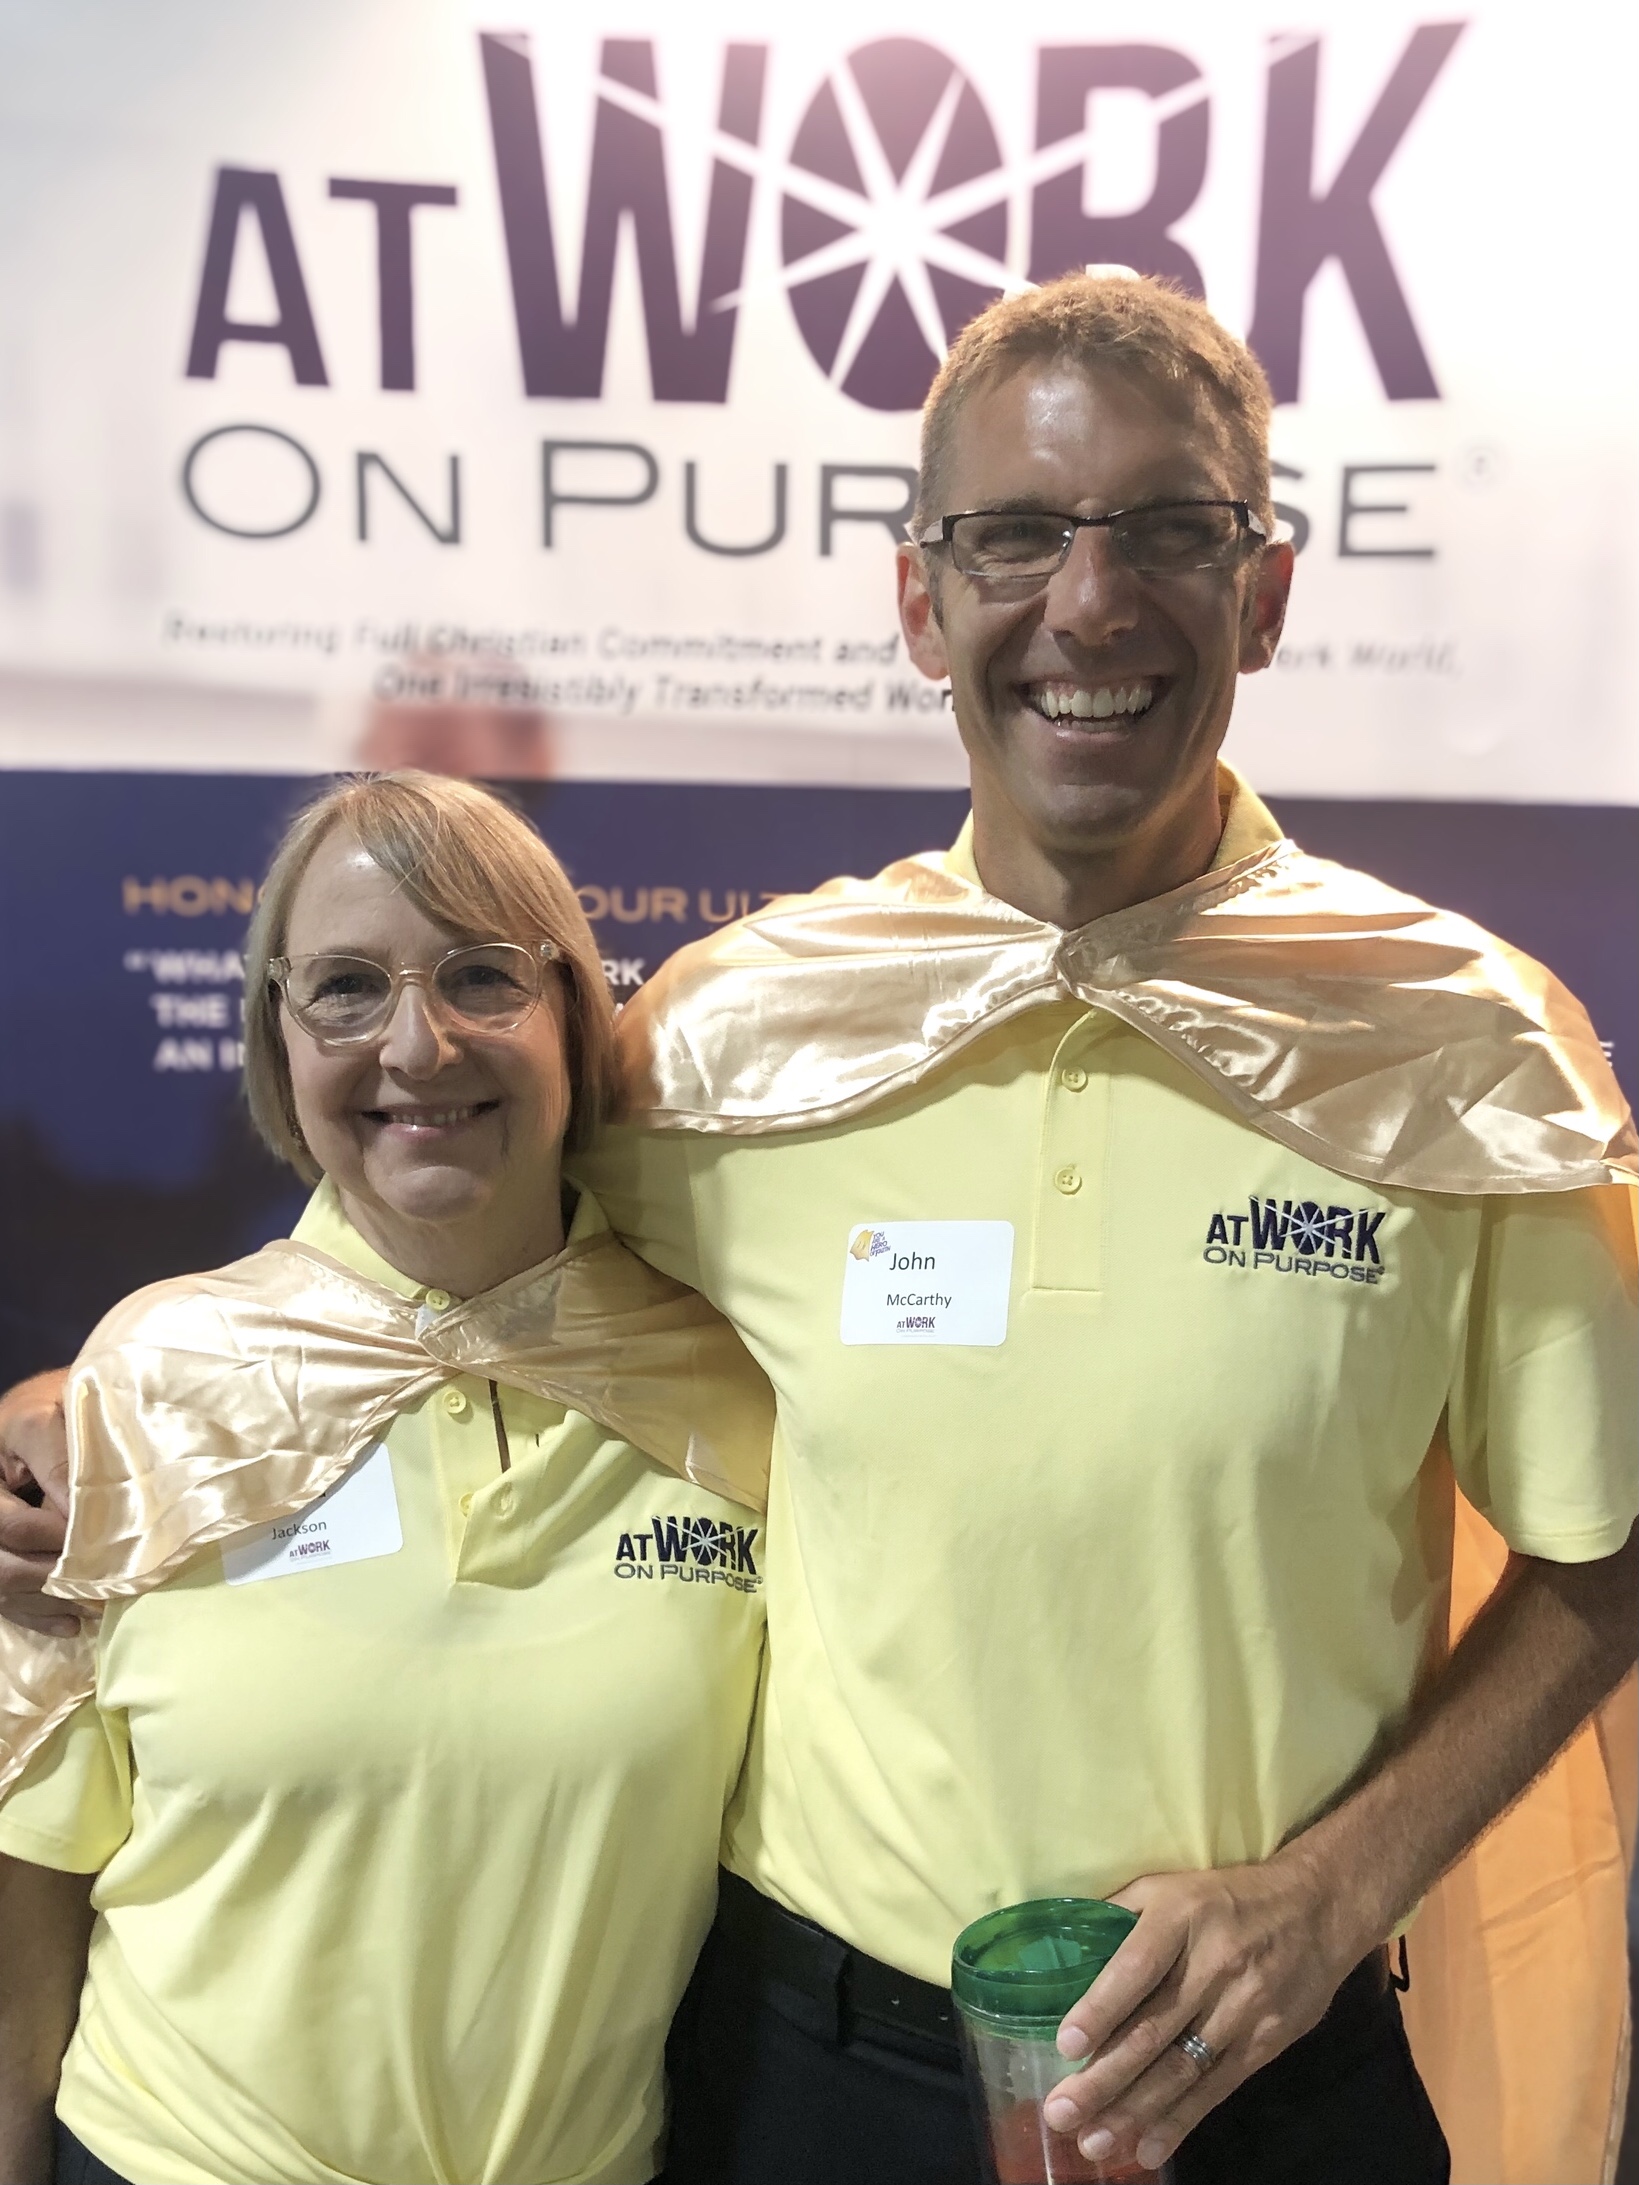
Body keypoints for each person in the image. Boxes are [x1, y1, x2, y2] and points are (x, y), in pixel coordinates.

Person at [3, 274, 1636, 2185]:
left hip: (1260, 2070)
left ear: (1264, 592)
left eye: (1170, 531)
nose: (1088, 603)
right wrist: (102, 1414)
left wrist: (1333, 1890)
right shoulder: (737, 1033)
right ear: (919, 600)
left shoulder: (1454, 1042)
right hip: (809, 2071)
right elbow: (428, 1248)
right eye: (1014, 535)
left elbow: (1606, 1552)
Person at [0, 772, 772, 2185]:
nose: (419, 1044)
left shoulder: (723, 1385)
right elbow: (30, 1867)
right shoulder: (153, 1377)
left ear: (573, 1015)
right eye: (346, 989)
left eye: (482, 974)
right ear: (276, 1040)